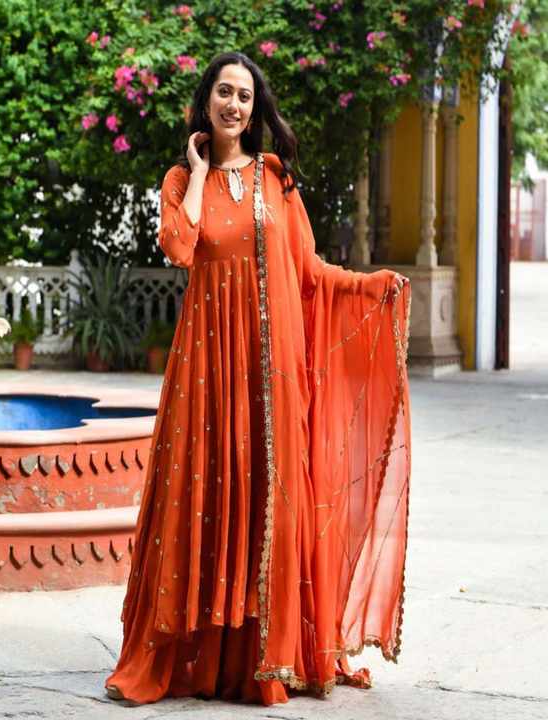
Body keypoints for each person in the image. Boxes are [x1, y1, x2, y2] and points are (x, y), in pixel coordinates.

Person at [105, 51, 411, 707]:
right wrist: (197, 171)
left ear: (255, 109)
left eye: (245, 96)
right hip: (207, 373)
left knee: (270, 497)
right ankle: (194, 656)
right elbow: (180, 247)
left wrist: (370, 287)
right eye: (224, 92)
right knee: (204, 495)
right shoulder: (178, 180)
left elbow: (309, 271)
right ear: (206, 101)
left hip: (273, 373)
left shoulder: (276, 177)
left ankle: (261, 659)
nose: (235, 105)